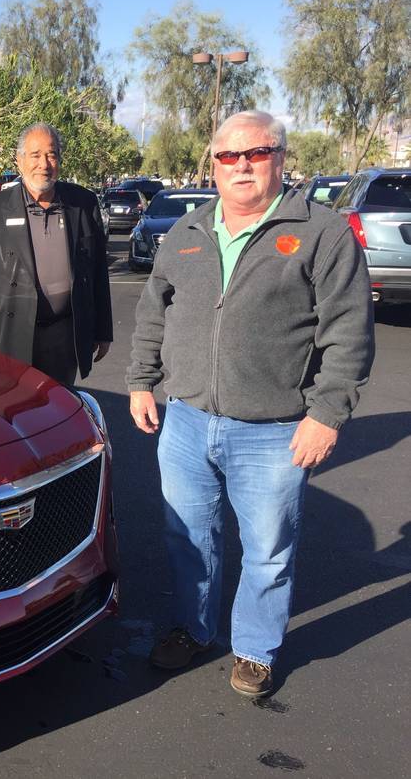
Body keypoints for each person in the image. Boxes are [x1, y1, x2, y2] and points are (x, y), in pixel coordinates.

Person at [127, 110, 375, 698]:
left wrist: (326, 414)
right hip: (186, 421)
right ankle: (193, 628)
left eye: (257, 153)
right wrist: (140, 380)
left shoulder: (320, 232)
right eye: (228, 156)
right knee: (189, 538)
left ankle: (255, 651)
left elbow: (349, 331)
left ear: (281, 159)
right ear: (212, 165)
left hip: (274, 430)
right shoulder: (187, 232)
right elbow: (153, 312)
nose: (242, 165)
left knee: (268, 551)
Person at [0, 122, 113, 385]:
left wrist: (103, 330)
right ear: (20, 161)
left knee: (57, 412)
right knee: (11, 414)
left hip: (64, 338)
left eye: (51, 154)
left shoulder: (83, 203)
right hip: (11, 338)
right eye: (35, 155)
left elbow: (98, 272)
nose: (44, 164)